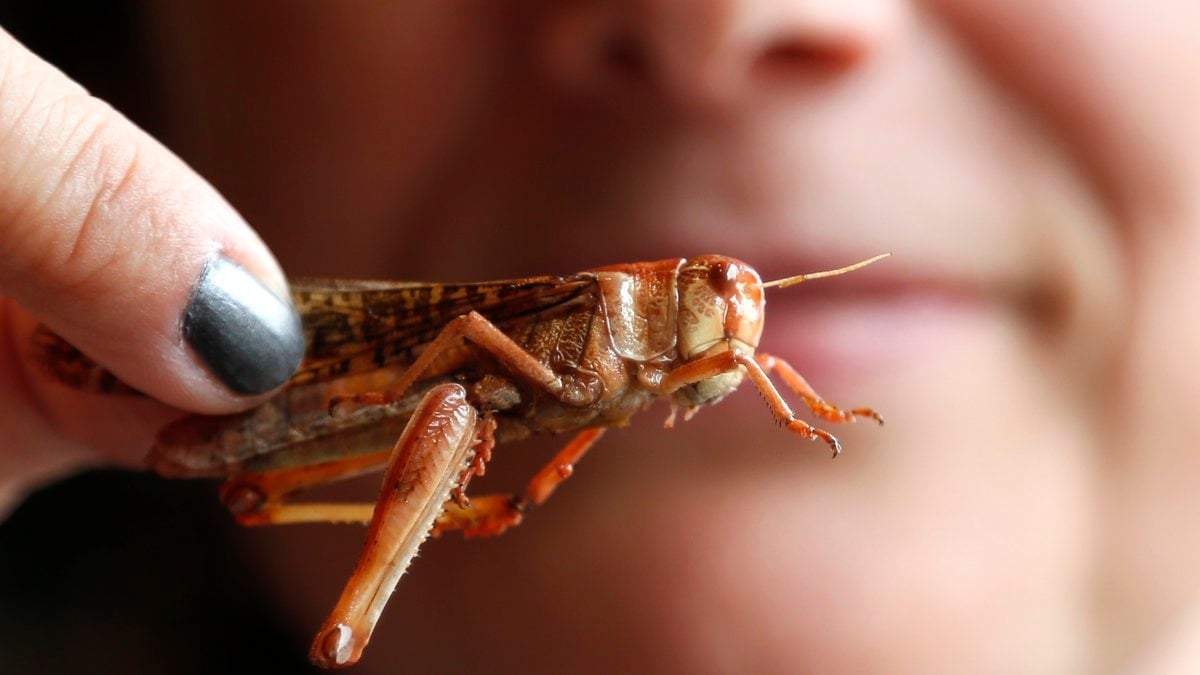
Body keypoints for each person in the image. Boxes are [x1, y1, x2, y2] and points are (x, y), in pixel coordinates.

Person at [2, 2, 1199, 672]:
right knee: (463, 391)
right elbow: (472, 335)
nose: (722, 18)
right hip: (360, 377)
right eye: (716, 294)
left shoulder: (712, 348)